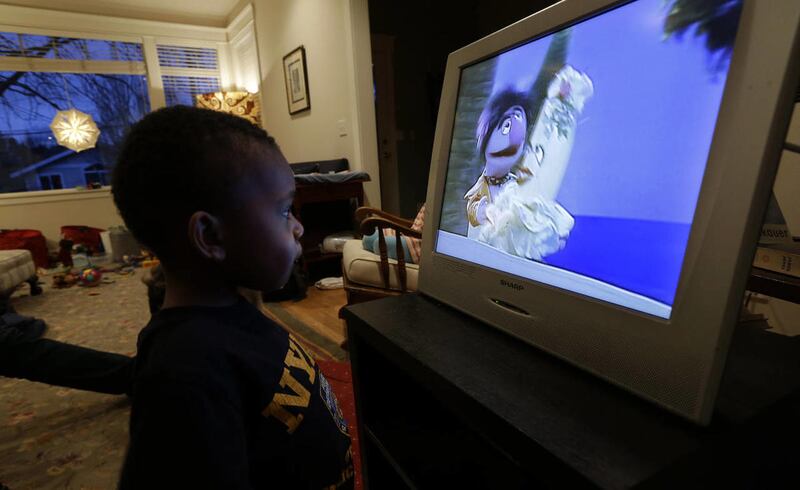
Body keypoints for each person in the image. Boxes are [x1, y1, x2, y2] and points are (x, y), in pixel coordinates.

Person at [111, 106, 353, 489]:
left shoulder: (229, 310)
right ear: (210, 236)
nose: (298, 227)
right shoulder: (182, 377)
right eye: (284, 211)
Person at [464, 65, 593, 260]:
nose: (514, 139)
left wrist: (561, 103)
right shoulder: (480, 186)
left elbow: (544, 168)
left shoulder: (518, 187)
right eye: (506, 125)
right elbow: (475, 211)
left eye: (521, 134)